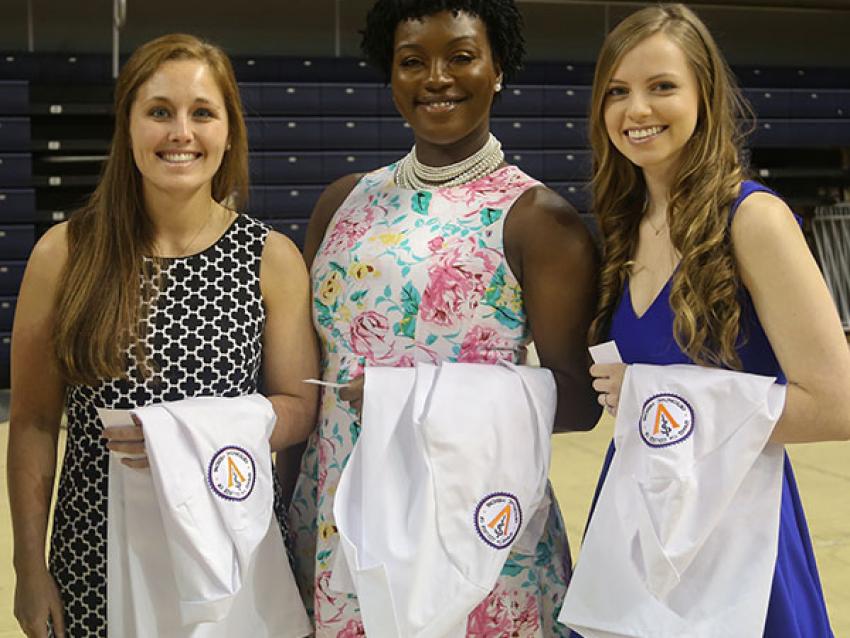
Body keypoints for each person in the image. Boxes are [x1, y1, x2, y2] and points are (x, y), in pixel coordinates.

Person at [280, 0, 601, 635]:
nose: (436, 77)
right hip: (333, 519)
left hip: (470, 526)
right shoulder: (343, 201)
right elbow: (306, 382)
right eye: (412, 61)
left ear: (497, 67)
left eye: (460, 56)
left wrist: (419, 402)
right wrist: (277, 508)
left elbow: (578, 401)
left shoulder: (539, 220)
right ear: (389, 75)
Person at [8, 34, 319, 638]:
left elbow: (300, 407)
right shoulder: (65, 252)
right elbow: (34, 422)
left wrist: (185, 436)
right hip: (91, 552)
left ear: (228, 132)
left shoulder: (270, 257)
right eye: (159, 112)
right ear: (128, 128)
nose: (181, 132)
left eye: (202, 112)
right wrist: (27, 564)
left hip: (230, 549)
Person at [584, 4, 850, 636]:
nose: (636, 110)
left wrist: (657, 395)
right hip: (639, 521)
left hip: (739, 539)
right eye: (617, 92)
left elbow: (839, 405)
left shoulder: (755, 220)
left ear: (706, 94)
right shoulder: (624, 226)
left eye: (662, 87)